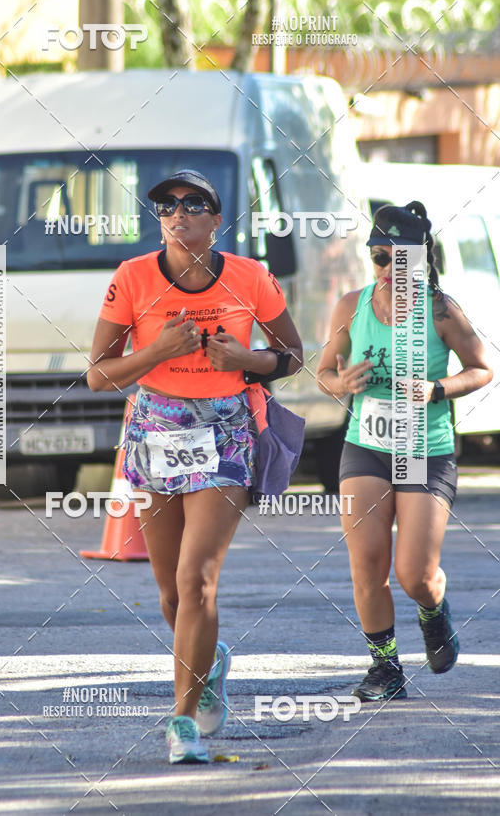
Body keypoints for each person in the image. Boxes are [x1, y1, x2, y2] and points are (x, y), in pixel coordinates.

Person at [87, 170, 303, 761]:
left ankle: (182, 720)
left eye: (192, 204)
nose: (177, 214)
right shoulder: (133, 277)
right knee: (169, 595)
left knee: (197, 579)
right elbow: (98, 374)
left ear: (216, 218)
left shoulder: (250, 277)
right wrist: (156, 350)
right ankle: (211, 663)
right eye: (166, 206)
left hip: (226, 430)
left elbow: (292, 357)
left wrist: (245, 358)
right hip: (156, 425)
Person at [316, 201, 492, 701]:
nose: (390, 269)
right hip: (365, 447)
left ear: (423, 260)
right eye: (379, 257)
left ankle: (433, 609)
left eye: (402, 258)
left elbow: (482, 368)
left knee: (414, 574)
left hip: (424, 450)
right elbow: (325, 370)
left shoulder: (441, 310)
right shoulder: (351, 305)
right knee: (367, 563)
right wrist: (340, 381)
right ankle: (386, 669)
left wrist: (438, 388)